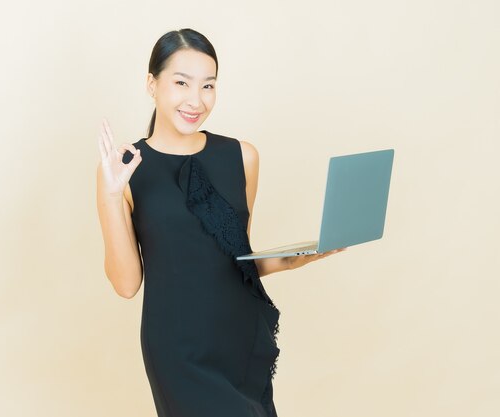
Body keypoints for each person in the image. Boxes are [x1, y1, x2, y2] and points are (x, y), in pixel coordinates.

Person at [96, 28, 346, 417]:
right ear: (152, 84)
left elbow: (237, 261)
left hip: (238, 339)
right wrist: (112, 195)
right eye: (182, 83)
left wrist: (297, 257)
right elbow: (126, 284)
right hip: (177, 352)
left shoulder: (243, 157)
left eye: (208, 86)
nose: (196, 101)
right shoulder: (123, 170)